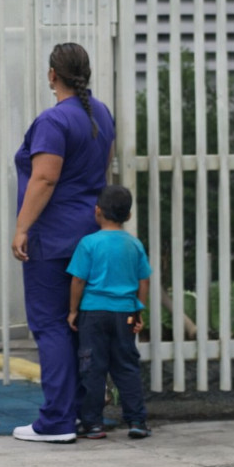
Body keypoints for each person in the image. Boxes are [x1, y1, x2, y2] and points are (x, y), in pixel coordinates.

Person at [11, 42, 115, 444]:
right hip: (90, 234)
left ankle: (56, 420)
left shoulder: (53, 121)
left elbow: (45, 178)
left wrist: (22, 227)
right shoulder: (101, 114)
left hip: (53, 237)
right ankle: (86, 415)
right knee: (79, 326)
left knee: (51, 325)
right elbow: (103, 168)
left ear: (52, 75)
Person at [67, 185, 151, 441]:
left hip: (93, 314)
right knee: (127, 367)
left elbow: (78, 280)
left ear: (97, 211)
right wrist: (138, 311)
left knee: (92, 368)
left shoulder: (89, 243)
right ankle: (136, 420)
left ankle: (92, 423)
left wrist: (72, 311)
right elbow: (143, 281)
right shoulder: (134, 244)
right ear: (128, 215)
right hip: (125, 312)